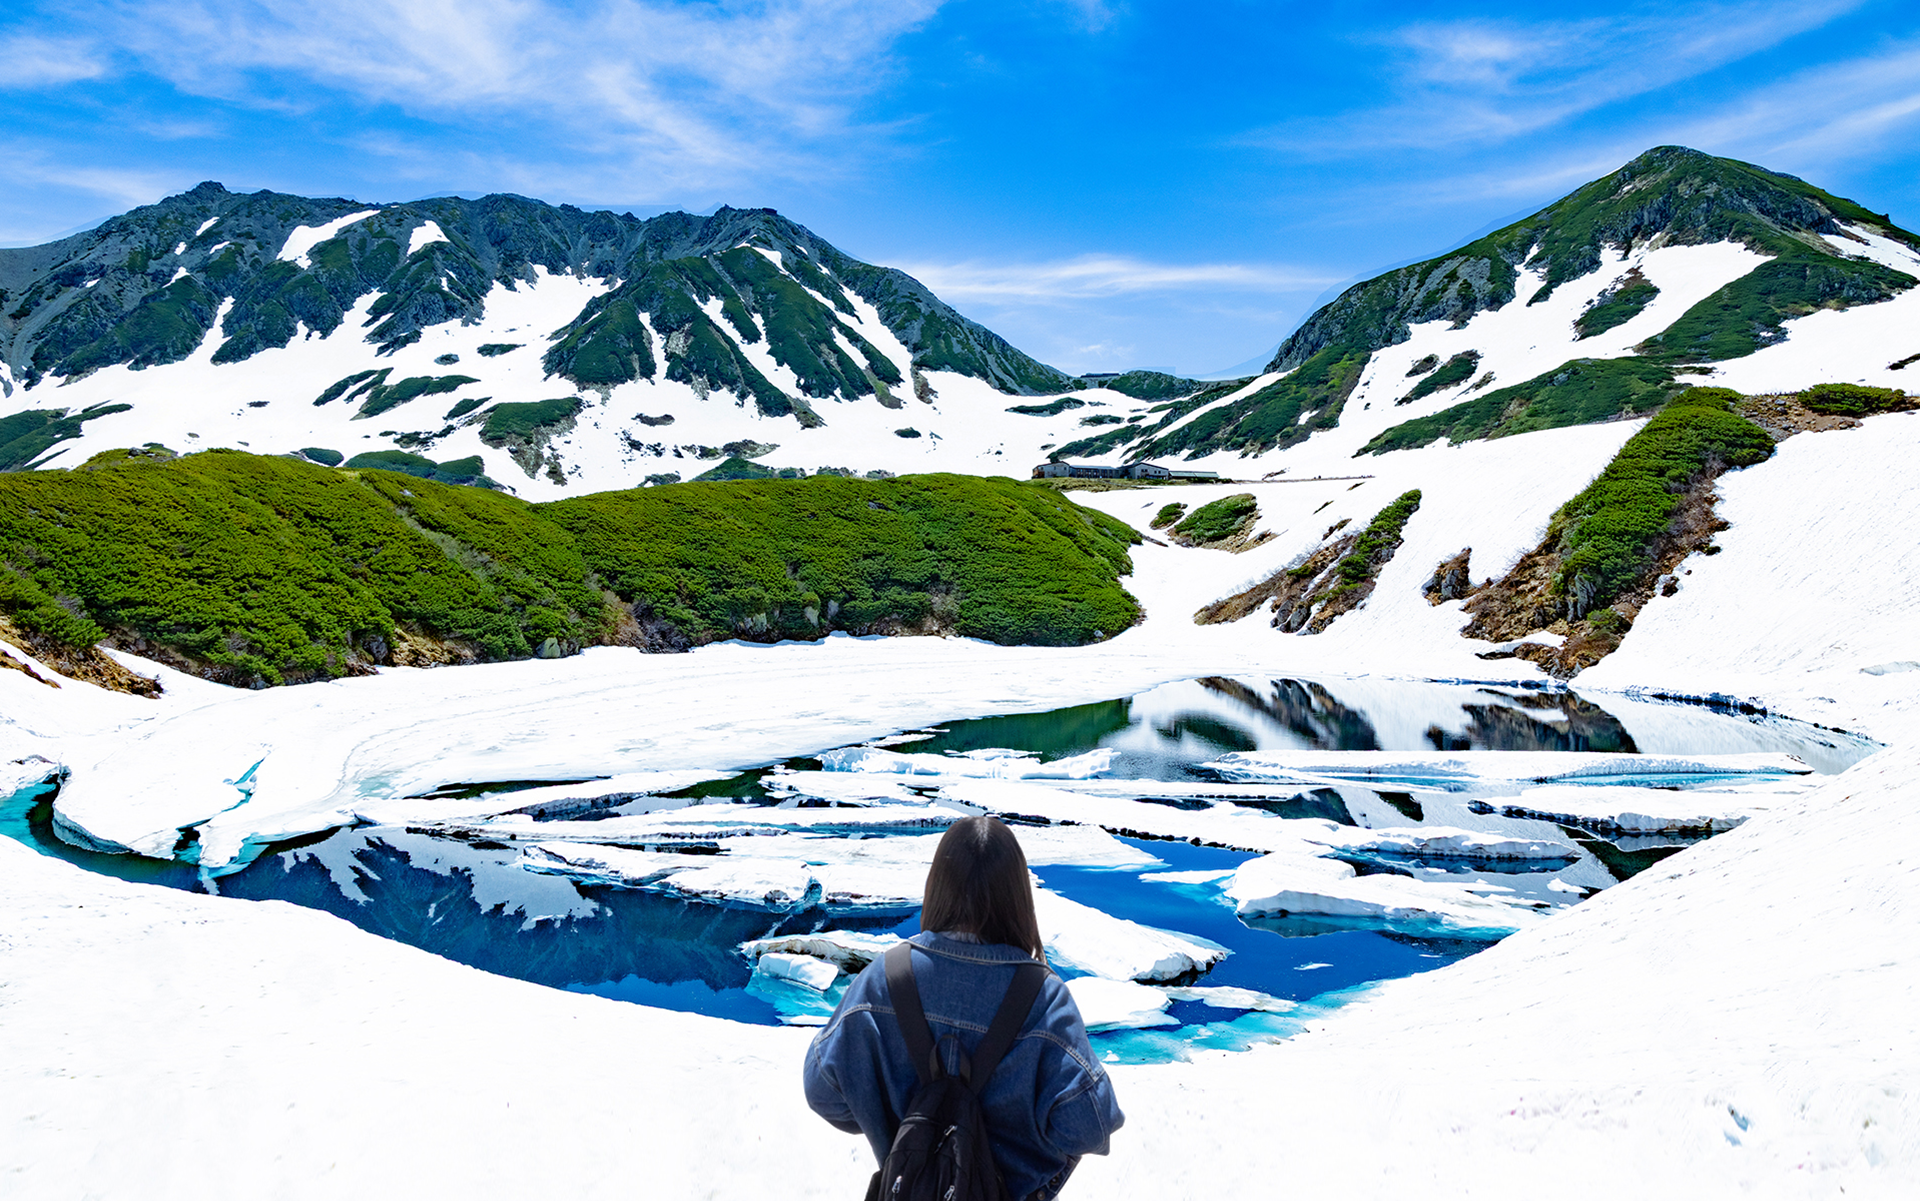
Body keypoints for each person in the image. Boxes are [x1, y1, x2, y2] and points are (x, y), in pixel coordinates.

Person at [802, 815, 1123, 1201]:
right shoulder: (1044, 999)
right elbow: (1090, 1124)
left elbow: (822, 1090)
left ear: (937, 886)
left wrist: (896, 1126)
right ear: (1018, 897)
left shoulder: (883, 979)